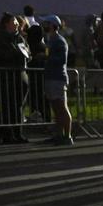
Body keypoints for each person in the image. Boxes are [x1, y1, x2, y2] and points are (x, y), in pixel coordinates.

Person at [0, 12, 30, 144]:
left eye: (17, 22)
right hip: (4, 78)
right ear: (6, 23)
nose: (17, 24)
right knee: (7, 106)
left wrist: (26, 54)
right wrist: (15, 52)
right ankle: (8, 134)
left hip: (20, 76)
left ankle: (18, 134)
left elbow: (27, 52)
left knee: (18, 107)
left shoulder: (20, 38)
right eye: (14, 22)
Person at [39, 15, 73, 145]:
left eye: (47, 24)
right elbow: (49, 54)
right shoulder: (50, 40)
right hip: (51, 77)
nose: (44, 26)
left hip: (58, 78)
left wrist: (46, 57)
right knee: (56, 108)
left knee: (62, 107)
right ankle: (59, 134)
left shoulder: (59, 40)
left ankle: (68, 135)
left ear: (53, 25)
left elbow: (62, 60)